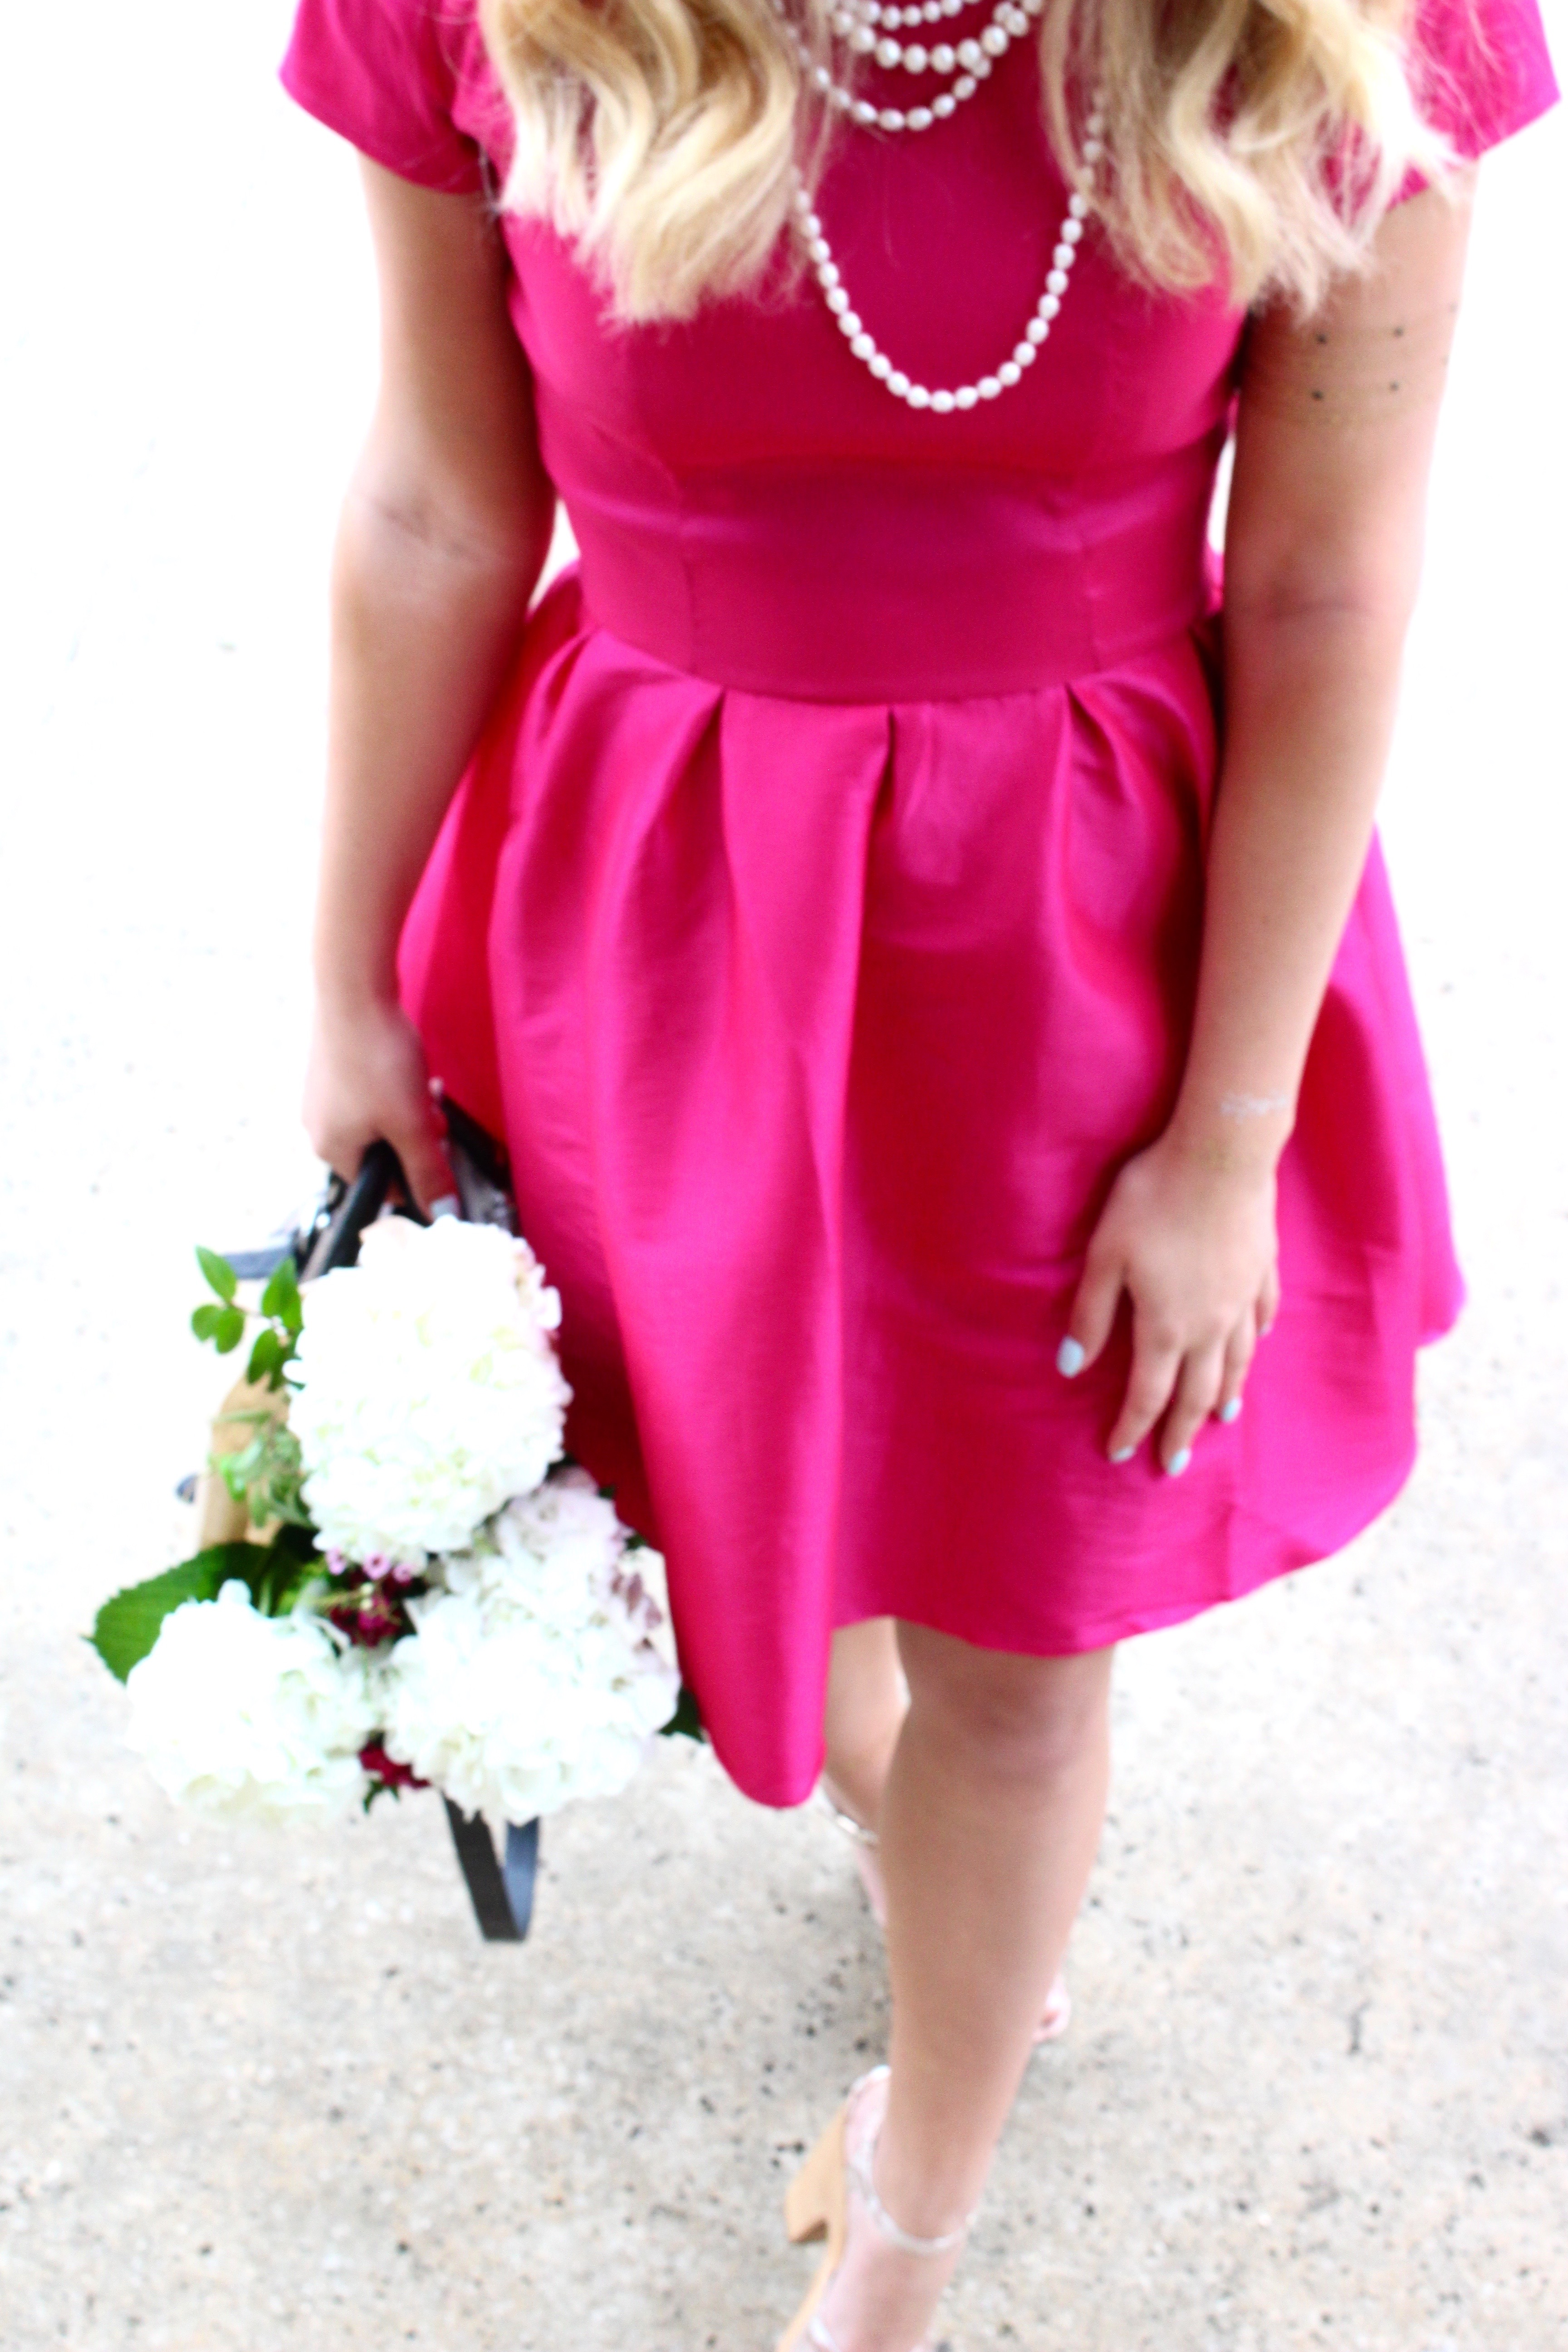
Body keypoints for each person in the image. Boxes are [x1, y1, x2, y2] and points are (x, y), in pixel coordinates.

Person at [285, 0, 1557, 2340]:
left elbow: (1322, 589)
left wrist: (1229, 1131)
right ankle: (941, 1864)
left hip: (1081, 947)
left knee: (1019, 1634)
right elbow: (443, 499)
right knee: (735, 1508)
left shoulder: (1366, 27)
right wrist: (351, 977)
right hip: (660, 897)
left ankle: (913, 2224)